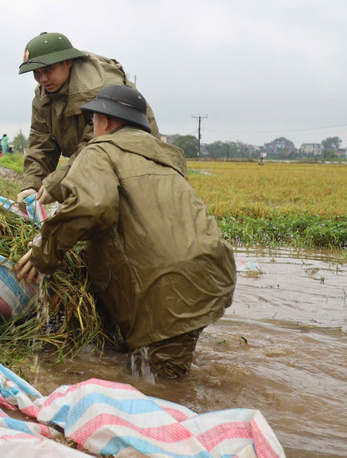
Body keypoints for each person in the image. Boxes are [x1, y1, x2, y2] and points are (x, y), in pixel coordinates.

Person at [15, 85, 235, 379]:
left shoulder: (99, 151)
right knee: (163, 362)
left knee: (162, 387)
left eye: (93, 120)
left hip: (167, 287)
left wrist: (45, 249)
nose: (92, 128)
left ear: (105, 122)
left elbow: (92, 205)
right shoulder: (165, 157)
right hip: (212, 276)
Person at [16, 32, 159, 204]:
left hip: (133, 160)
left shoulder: (102, 91)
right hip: (97, 160)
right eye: (36, 73)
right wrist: (31, 186)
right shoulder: (43, 98)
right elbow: (41, 146)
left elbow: (96, 147)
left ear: (68, 62)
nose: (43, 78)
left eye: (48, 70)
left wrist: (55, 185)